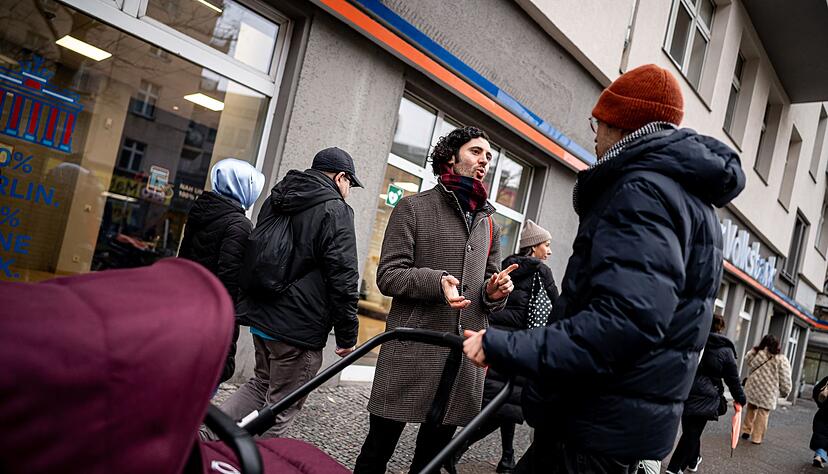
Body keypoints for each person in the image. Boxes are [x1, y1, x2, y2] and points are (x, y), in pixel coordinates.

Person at [461, 63, 746, 473]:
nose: (593, 135)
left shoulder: (641, 191)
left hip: (592, 429)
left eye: (597, 123)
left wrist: (503, 346)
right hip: (607, 425)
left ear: (619, 123)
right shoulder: (689, 199)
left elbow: (625, 323)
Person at [353, 126, 516, 474]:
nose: (483, 160)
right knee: (376, 451)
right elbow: (389, 275)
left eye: (488, 156)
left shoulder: (490, 224)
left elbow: (488, 282)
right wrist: (437, 281)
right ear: (450, 158)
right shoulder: (413, 208)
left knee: (431, 461)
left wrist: (493, 291)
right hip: (413, 349)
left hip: (462, 358)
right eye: (475, 152)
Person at [219, 147, 362, 438]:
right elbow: (344, 276)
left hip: (263, 318)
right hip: (298, 329)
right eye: (350, 183)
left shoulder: (278, 197)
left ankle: (203, 437)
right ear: (340, 177)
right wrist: (347, 334)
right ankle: (253, 465)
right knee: (281, 409)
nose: (349, 190)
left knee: (260, 385)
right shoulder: (336, 210)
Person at [445, 220, 559, 474]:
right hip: (517, 349)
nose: (549, 251)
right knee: (502, 407)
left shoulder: (508, 267)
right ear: (534, 247)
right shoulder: (542, 273)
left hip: (497, 344)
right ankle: (453, 450)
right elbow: (556, 309)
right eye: (546, 245)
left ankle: (507, 457)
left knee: (505, 406)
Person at [178, 158, 264, 384]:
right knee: (208, 375)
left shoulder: (201, 210)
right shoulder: (239, 225)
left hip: (187, 305)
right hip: (214, 316)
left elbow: (183, 257)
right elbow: (230, 280)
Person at [665, 314, 746, 474]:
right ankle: (676, 468)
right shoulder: (725, 350)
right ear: (721, 328)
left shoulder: (695, 341)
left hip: (686, 390)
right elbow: (733, 379)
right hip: (707, 396)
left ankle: (687, 463)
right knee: (692, 432)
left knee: (691, 430)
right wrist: (741, 398)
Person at [741, 334, 792, 445]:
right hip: (768, 391)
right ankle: (757, 438)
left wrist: (755, 350)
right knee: (763, 413)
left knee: (751, 407)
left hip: (754, 387)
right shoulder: (781, 359)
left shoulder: (757, 353)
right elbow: (785, 377)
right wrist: (786, 391)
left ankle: (746, 430)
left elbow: (747, 360)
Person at [812, 375, 828, 468]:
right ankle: (820, 456)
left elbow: (816, 390)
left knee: (821, 434)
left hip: (824, 413)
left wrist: (820, 404)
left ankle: (819, 456)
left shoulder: (827, 379)